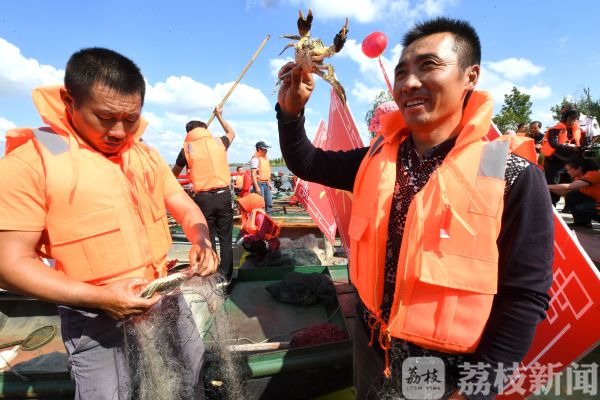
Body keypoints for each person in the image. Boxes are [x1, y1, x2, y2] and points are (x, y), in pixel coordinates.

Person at [276, 17, 553, 399]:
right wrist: (290, 114)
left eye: (429, 66)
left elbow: (524, 297)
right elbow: (308, 163)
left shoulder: (509, 173)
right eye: (402, 72)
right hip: (371, 342)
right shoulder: (377, 156)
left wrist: (477, 389)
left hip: (440, 366)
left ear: (470, 76)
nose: (408, 83)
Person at [0, 48, 218, 399]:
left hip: (164, 297)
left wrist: (201, 238)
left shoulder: (144, 153)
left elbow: (183, 203)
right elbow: (8, 264)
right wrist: (100, 297)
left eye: (130, 119)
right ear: (70, 102)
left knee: (188, 381)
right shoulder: (32, 161)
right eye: (104, 117)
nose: (119, 132)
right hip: (92, 319)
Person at [171, 107, 235, 282]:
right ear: (205, 130)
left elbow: (173, 175)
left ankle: (212, 276)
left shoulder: (187, 148)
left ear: (188, 133)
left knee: (208, 239)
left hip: (203, 199)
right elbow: (231, 132)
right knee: (226, 239)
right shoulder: (219, 142)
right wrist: (220, 116)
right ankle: (227, 277)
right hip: (223, 197)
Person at [542, 108, 584, 206]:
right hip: (555, 162)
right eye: (570, 118)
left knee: (570, 185)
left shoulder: (578, 130)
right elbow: (554, 143)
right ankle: (551, 208)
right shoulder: (555, 129)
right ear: (565, 118)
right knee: (553, 185)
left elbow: (581, 144)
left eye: (574, 119)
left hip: (570, 162)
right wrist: (568, 146)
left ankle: (569, 207)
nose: (572, 121)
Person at [549, 157, 600, 227]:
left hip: (597, 204)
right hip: (594, 202)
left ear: (579, 168)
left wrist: (546, 186)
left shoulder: (593, 174)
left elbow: (569, 186)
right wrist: (550, 189)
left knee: (581, 207)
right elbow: (567, 193)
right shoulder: (578, 177)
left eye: (569, 169)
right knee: (572, 195)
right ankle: (581, 222)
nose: (568, 172)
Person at [236, 193, 281, 261]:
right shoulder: (250, 215)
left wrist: (245, 238)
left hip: (268, 243)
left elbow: (261, 235)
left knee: (259, 244)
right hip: (255, 239)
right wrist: (242, 236)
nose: (242, 207)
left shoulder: (260, 216)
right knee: (246, 243)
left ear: (252, 204)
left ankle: (263, 256)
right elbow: (245, 229)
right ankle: (256, 254)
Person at [251, 141, 273, 215]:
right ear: (259, 149)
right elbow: (253, 175)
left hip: (266, 183)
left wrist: (269, 183)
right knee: (261, 205)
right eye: (264, 149)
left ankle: (268, 222)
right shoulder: (255, 159)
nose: (266, 151)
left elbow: (267, 172)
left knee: (269, 204)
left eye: (266, 149)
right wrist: (257, 187)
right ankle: (260, 223)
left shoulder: (265, 158)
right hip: (259, 184)